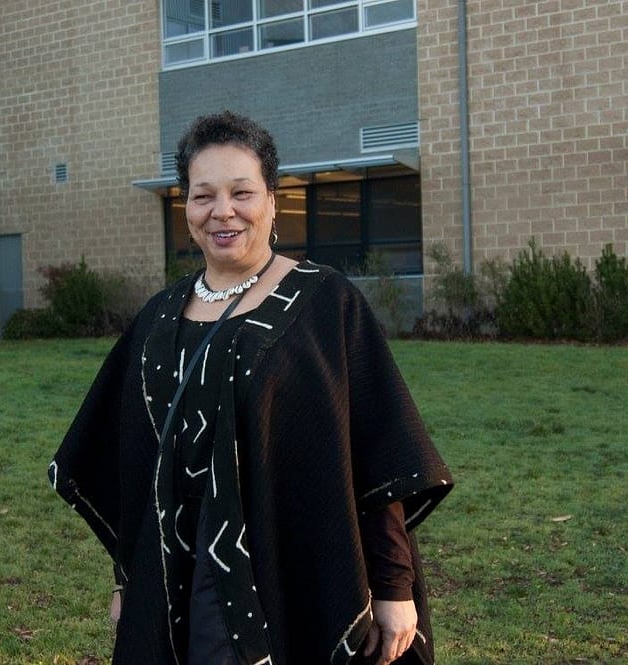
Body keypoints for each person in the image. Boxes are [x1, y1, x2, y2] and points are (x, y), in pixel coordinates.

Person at [49, 111, 454, 665]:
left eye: (241, 192)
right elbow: (131, 465)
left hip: (288, 572)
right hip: (178, 579)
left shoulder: (325, 305)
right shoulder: (157, 320)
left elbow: (377, 454)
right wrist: (130, 579)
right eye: (203, 196)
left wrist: (393, 585)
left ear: (271, 201)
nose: (223, 211)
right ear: (186, 206)